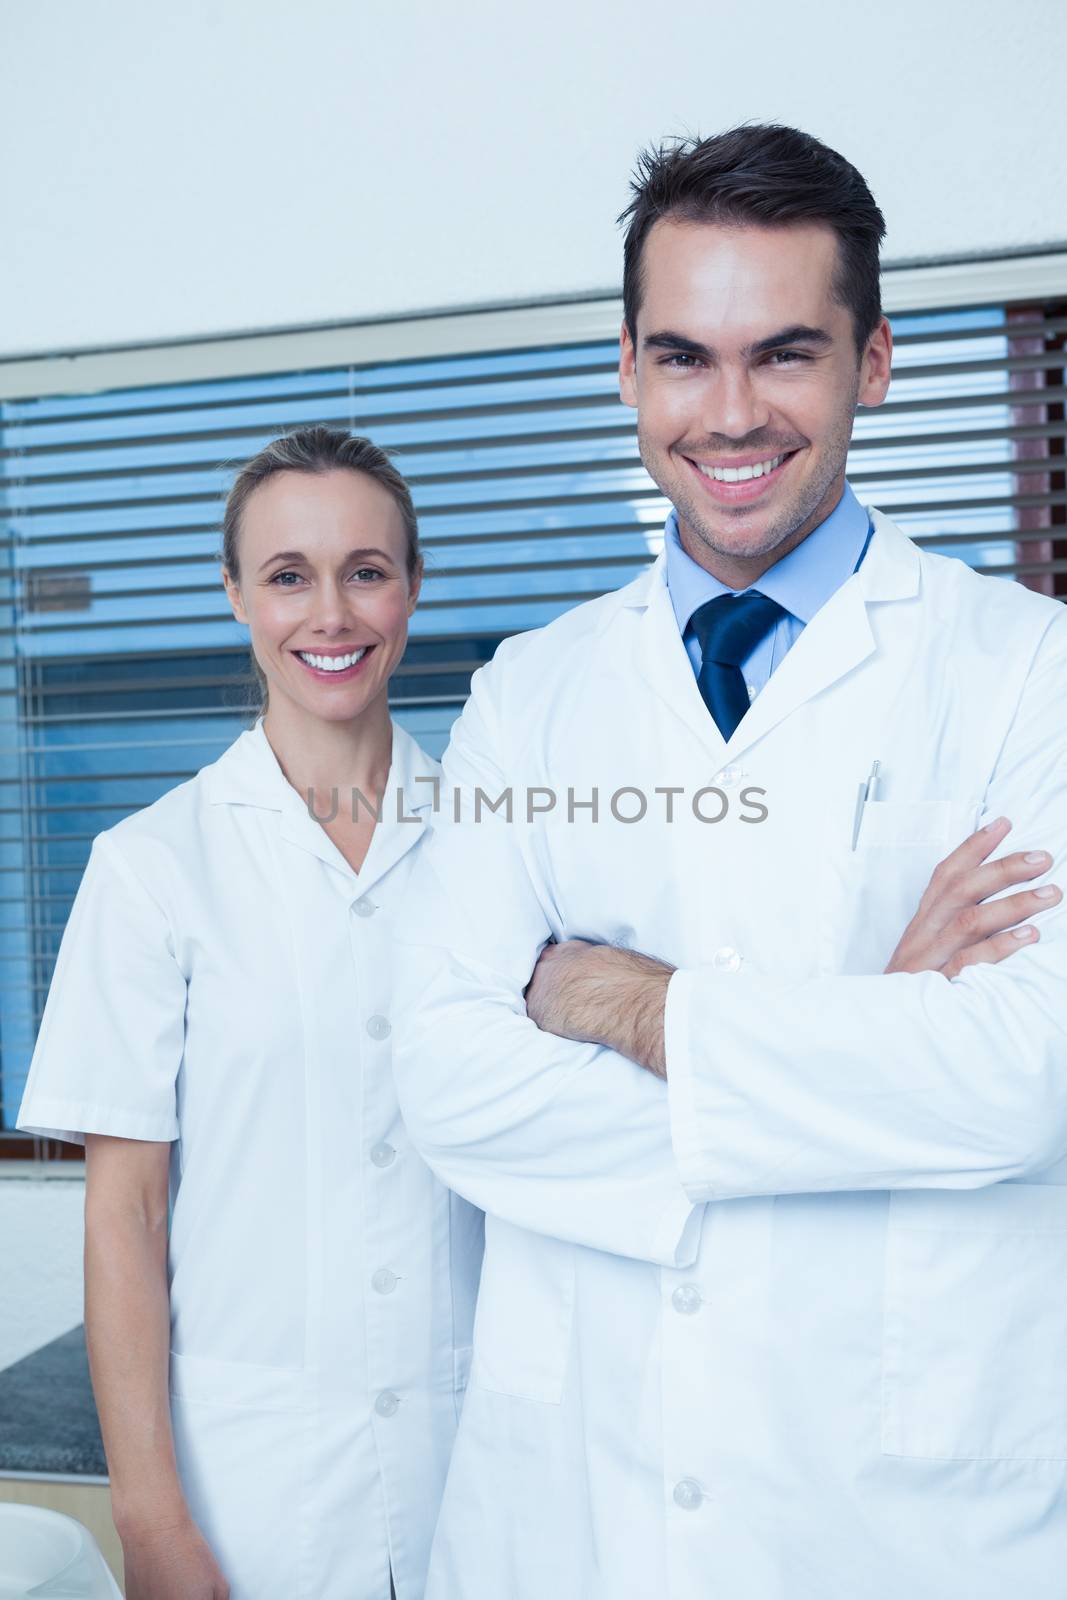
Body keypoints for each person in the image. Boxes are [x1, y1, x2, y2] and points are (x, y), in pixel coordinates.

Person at [388, 126, 1067, 1598]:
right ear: (628, 372)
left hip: (893, 1523)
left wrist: (639, 1011)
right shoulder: (531, 690)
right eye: (683, 357)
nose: (731, 411)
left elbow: (1019, 1077)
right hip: (574, 1511)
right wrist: (866, 1031)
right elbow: (447, 1081)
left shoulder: (1028, 673)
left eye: (786, 354)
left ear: (871, 363)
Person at [17, 427, 483, 1600]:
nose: (330, 613)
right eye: (287, 575)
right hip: (260, 1485)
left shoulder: (500, 844)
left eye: (365, 570)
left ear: (413, 587)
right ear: (235, 595)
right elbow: (124, 1216)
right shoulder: (154, 868)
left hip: (484, 1460)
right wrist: (154, 1524)